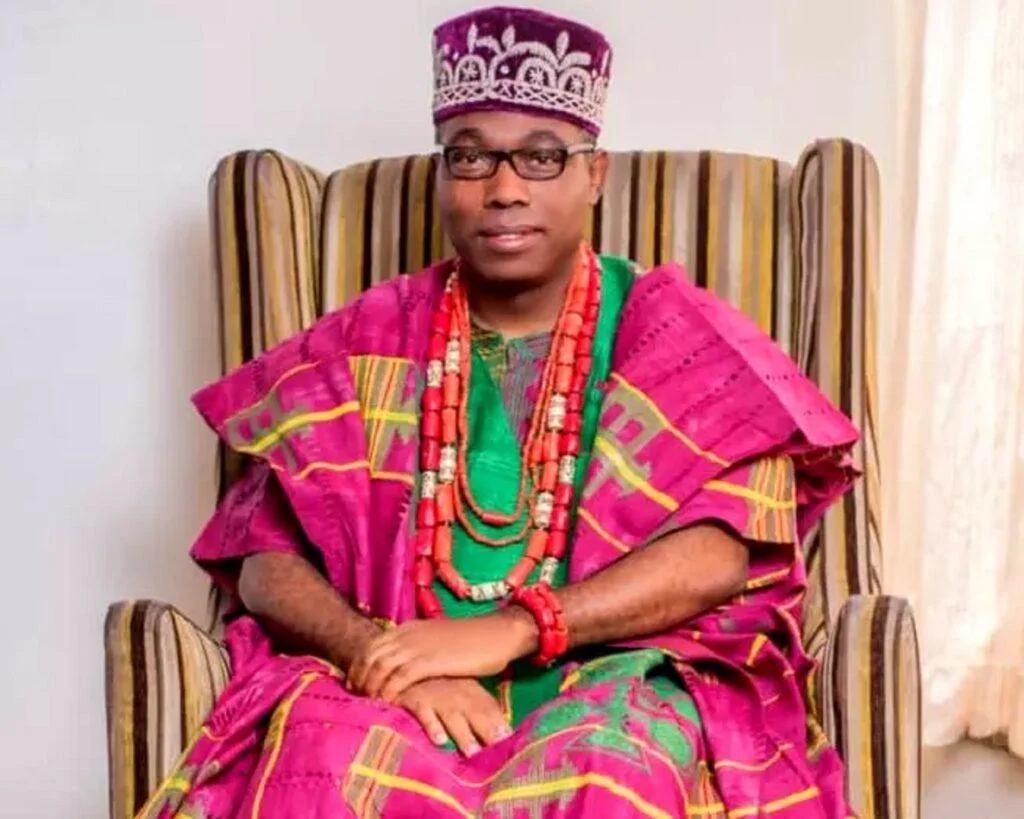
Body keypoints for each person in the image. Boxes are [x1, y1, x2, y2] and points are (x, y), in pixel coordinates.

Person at [138, 6, 858, 818]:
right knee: (327, 757)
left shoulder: (678, 335)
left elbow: (725, 548)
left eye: (542, 157)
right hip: (397, 671)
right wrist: (384, 658)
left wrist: (519, 627)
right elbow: (265, 559)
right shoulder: (365, 340)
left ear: (596, 174)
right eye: (471, 155)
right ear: (442, 173)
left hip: (612, 673)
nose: (505, 189)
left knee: (614, 769)